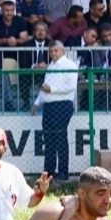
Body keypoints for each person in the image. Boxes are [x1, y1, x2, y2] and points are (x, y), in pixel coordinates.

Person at [33, 41, 78, 181]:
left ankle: (63, 172)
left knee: (60, 139)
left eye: (56, 51)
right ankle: (49, 171)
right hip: (49, 106)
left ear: (62, 50)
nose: (53, 53)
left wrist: (52, 90)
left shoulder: (70, 65)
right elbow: (44, 88)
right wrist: (37, 102)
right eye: (51, 51)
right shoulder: (51, 66)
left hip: (62, 105)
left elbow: (71, 87)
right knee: (48, 139)